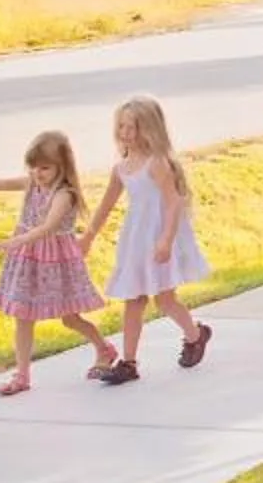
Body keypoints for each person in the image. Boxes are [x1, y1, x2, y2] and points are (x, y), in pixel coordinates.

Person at [0, 132, 116, 395]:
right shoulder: (32, 183)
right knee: (23, 315)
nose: (37, 173)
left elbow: (49, 227)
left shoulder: (65, 193)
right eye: (33, 166)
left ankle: (103, 347)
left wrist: (16, 242)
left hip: (55, 261)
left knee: (70, 318)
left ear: (62, 166)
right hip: (29, 258)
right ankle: (22, 376)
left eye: (45, 167)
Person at [84, 96, 215, 385]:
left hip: (159, 237)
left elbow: (173, 202)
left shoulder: (157, 164)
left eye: (133, 127)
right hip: (136, 238)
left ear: (150, 130)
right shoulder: (121, 168)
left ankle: (195, 335)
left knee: (165, 300)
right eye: (122, 127)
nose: (125, 133)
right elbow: (106, 204)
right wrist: (89, 236)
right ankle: (128, 363)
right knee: (134, 299)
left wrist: (166, 240)